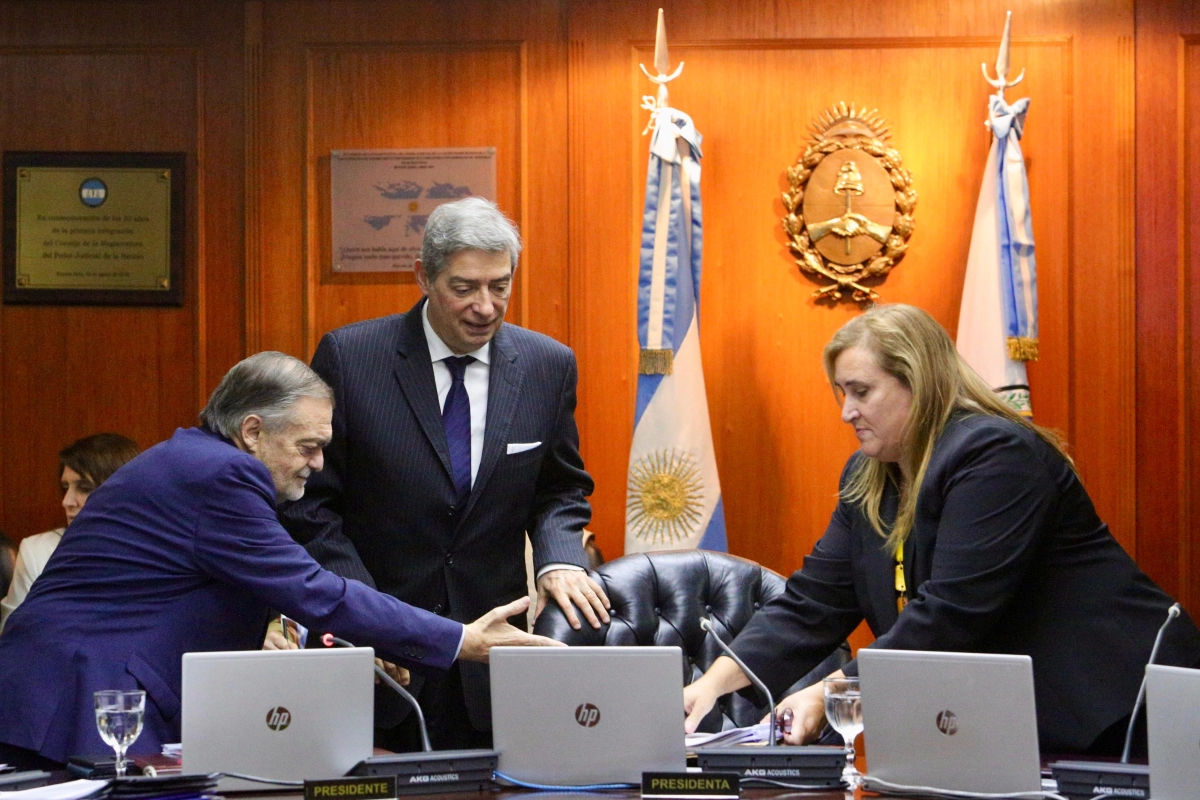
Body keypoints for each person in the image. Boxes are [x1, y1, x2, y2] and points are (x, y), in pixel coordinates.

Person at [0, 352, 561, 770]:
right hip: (83, 691)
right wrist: (458, 639)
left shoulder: (196, 463)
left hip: (79, 686)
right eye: (308, 446)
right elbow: (313, 589)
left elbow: (276, 588)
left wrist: (370, 645)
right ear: (252, 432)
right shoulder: (222, 475)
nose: (319, 464)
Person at [682, 304, 1200, 756]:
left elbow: (951, 613)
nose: (846, 412)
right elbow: (814, 602)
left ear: (920, 382)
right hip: (1012, 722)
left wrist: (832, 692)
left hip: (1118, 708)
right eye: (841, 392)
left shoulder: (997, 456)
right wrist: (712, 683)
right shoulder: (869, 475)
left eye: (861, 391)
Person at [282, 197, 610, 751]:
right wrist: (367, 615)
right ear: (424, 278)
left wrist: (559, 556)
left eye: (500, 286)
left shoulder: (546, 365)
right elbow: (312, 504)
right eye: (465, 288)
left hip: (492, 663)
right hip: (377, 657)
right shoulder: (352, 357)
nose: (486, 306)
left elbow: (560, 487)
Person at [0, 433, 140, 632]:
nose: (67, 501)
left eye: (84, 488)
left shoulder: (157, 550)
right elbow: (13, 635)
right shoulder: (38, 551)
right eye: (65, 487)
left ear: (121, 491)